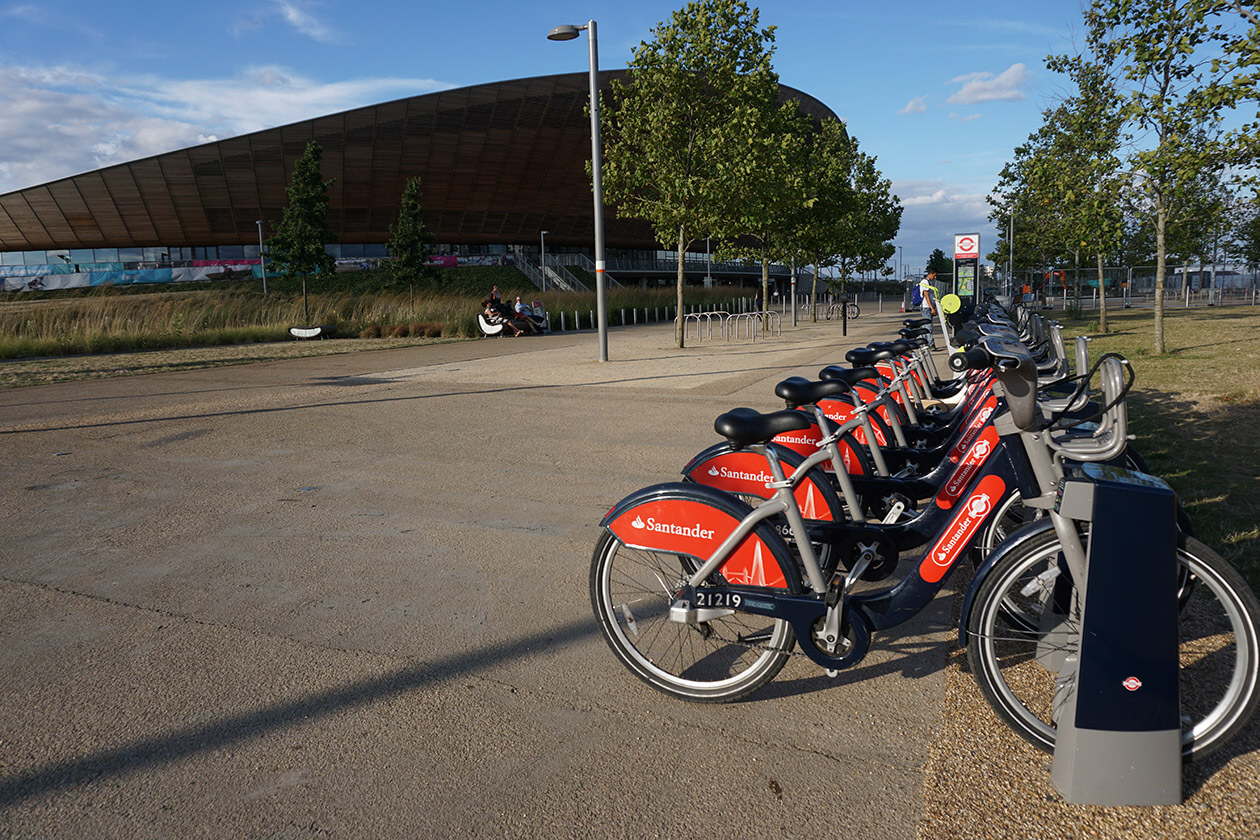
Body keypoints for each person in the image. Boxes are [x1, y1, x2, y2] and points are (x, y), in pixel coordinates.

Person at [919, 272, 938, 349]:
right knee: (928, 326)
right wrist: (932, 308)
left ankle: (924, 343)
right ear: (930, 274)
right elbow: (927, 296)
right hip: (926, 307)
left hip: (927, 307)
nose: (935, 277)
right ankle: (931, 344)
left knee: (925, 326)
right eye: (934, 275)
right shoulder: (925, 282)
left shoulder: (928, 282)